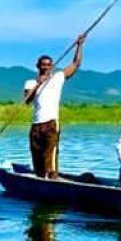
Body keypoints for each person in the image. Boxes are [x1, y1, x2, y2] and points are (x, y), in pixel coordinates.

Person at [22, 34, 84, 179]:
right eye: (43, 65)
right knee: (38, 162)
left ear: (52, 66)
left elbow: (76, 64)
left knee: (50, 162)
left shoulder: (58, 77)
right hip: (36, 126)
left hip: (51, 124)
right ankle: (40, 182)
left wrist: (79, 45)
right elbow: (26, 101)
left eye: (49, 65)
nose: (46, 67)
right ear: (38, 66)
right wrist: (38, 83)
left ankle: (53, 180)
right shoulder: (30, 83)